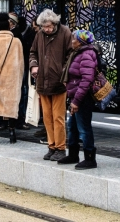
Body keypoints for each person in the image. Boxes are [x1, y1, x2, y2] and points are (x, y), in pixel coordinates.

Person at [29, 9, 72, 161]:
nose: (47, 29)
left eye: (49, 26)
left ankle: (60, 148)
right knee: (47, 117)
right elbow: (33, 52)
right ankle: (51, 146)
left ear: (54, 23)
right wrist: (34, 65)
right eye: (44, 27)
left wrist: (63, 72)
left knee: (58, 117)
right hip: (42, 81)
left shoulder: (65, 32)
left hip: (59, 82)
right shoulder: (39, 35)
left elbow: (70, 54)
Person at [57, 29, 99, 169]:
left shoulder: (86, 54)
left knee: (84, 128)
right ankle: (73, 154)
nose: (71, 41)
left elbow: (86, 80)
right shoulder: (77, 53)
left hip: (82, 97)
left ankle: (89, 158)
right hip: (75, 95)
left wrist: (76, 101)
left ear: (80, 42)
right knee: (73, 126)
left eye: (73, 39)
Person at [0, 16, 24, 145]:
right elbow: (20, 63)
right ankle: (12, 133)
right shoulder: (16, 41)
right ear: (9, 27)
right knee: (12, 105)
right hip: (12, 79)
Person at [17, 15, 36, 129]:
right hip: (26, 65)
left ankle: (24, 116)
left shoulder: (28, 34)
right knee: (25, 91)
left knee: (24, 91)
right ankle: (23, 117)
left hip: (26, 65)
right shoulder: (29, 33)